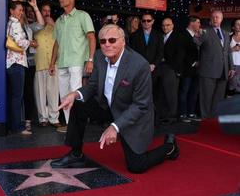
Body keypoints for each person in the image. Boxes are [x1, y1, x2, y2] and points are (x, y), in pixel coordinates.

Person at [50, 24, 179, 173]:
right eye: (103, 41)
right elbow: (93, 85)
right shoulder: (99, 56)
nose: (107, 45)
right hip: (109, 107)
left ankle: (170, 147)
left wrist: (115, 127)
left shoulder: (139, 65)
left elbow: (141, 105)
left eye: (112, 40)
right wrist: (75, 94)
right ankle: (76, 153)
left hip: (133, 115)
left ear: (123, 41)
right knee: (79, 104)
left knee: (137, 166)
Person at [49, 0, 96, 132]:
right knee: (64, 96)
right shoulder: (58, 21)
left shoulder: (82, 16)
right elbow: (56, 44)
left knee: (75, 94)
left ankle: (77, 125)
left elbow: (91, 37)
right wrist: (52, 63)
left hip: (77, 62)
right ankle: (71, 125)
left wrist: (90, 60)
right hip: (62, 62)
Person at [194, 10, 235, 118]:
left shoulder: (226, 33)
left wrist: (231, 67)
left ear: (221, 19)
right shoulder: (205, 31)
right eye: (213, 17)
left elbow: (228, 52)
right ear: (210, 19)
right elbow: (196, 44)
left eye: (217, 17)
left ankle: (213, 118)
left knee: (219, 97)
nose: (215, 19)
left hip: (223, 71)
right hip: (208, 71)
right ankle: (205, 118)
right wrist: (197, 36)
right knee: (206, 97)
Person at [6, 1, 38, 135]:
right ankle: (17, 127)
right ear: (11, 11)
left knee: (14, 96)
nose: (21, 12)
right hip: (17, 63)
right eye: (19, 10)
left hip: (13, 63)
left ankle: (14, 125)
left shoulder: (10, 23)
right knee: (17, 97)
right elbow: (20, 42)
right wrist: (31, 43)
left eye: (22, 10)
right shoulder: (16, 24)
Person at [129, 13, 164, 125]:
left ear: (153, 21)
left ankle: (153, 119)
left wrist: (154, 64)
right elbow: (132, 53)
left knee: (153, 95)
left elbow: (160, 52)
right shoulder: (134, 35)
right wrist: (142, 65)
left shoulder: (158, 35)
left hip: (154, 71)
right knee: (139, 95)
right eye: (144, 21)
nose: (146, 23)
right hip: (139, 70)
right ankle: (139, 119)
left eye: (148, 20)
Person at [34, 2, 62, 128]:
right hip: (39, 63)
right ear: (40, 11)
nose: (46, 13)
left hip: (53, 63)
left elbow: (63, 39)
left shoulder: (55, 27)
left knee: (53, 92)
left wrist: (54, 25)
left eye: (48, 11)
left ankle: (54, 118)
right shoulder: (35, 27)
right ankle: (42, 118)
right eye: (44, 10)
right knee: (40, 93)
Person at [21, 0, 44, 132]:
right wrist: (30, 42)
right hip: (17, 62)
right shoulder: (11, 24)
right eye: (24, 10)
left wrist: (35, 7)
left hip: (29, 63)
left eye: (28, 12)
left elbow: (41, 24)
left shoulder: (29, 27)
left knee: (29, 92)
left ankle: (28, 121)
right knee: (18, 93)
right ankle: (17, 121)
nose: (25, 13)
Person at [178, 16, 201, 123]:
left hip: (197, 70)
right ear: (192, 23)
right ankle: (182, 114)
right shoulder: (183, 35)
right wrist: (193, 62)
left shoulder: (197, 36)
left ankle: (191, 113)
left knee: (194, 92)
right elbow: (181, 53)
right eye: (198, 22)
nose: (199, 25)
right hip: (186, 69)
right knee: (184, 91)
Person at [228, 18, 240, 94]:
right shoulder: (228, 37)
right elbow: (223, 51)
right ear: (233, 27)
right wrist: (232, 49)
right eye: (237, 24)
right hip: (232, 66)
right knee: (231, 87)